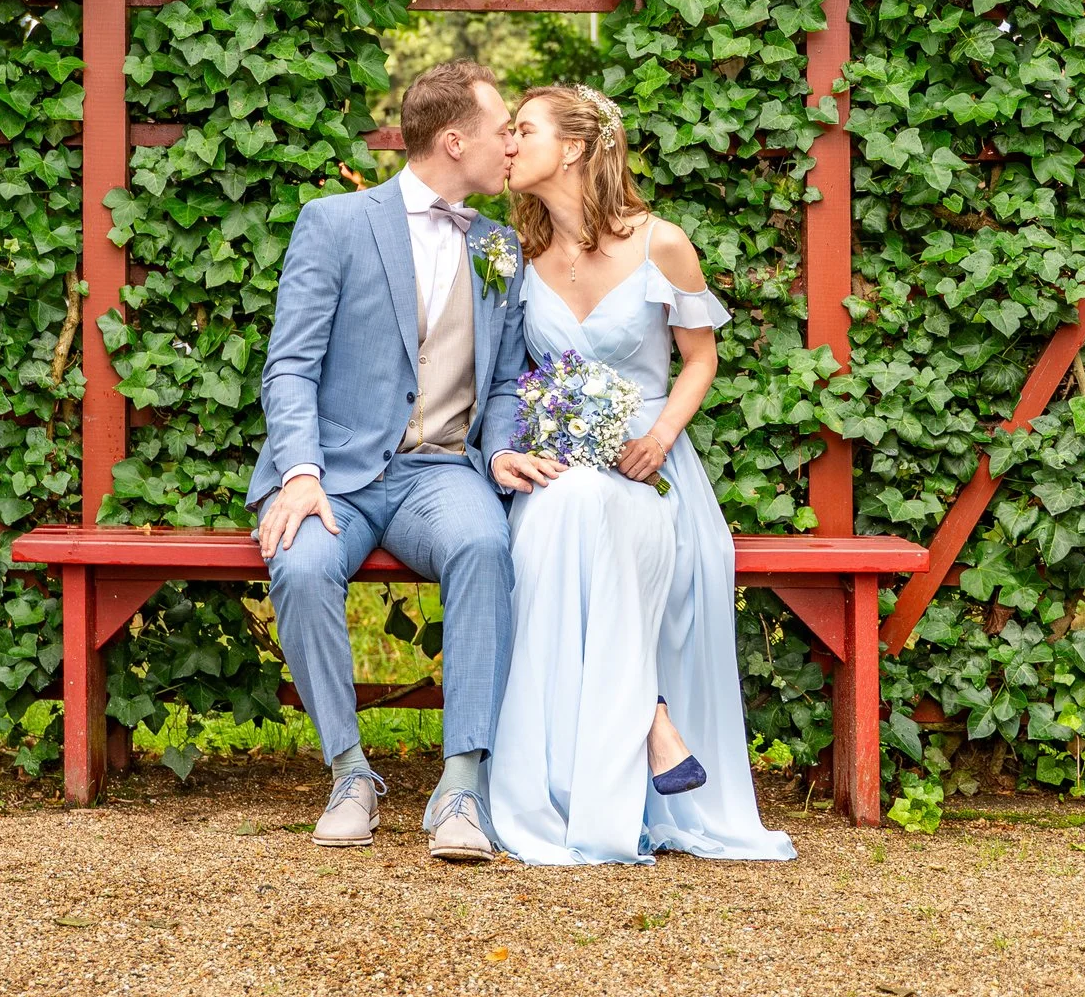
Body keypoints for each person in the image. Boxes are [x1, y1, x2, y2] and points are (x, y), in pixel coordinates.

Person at [248, 60, 562, 862]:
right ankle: (349, 773)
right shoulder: (334, 222)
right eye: (502, 130)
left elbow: (504, 381)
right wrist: (300, 472)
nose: (512, 145)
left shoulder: (499, 246)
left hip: (439, 472)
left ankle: (462, 786)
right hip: (335, 474)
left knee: (485, 545)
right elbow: (289, 365)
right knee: (301, 564)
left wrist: (501, 450)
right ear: (454, 140)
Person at [486, 83, 797, 866]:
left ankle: (606, 769)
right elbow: (505, 379)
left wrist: (660, 434)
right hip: (560, 472)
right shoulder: (516, 256)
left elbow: (701, 359)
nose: (509, 143)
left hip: (651, 472)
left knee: (589, 508)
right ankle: (646, 724)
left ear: (575, 147)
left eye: (524, 129)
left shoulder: (663, 243)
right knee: (572, 502)